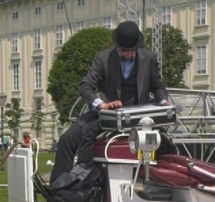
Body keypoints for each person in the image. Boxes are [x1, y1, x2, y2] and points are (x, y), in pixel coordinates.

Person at [52, 20, 172, 181]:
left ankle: (164, 180)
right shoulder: (103, 58)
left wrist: (164, 102)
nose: (128, 54)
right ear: (117, 46)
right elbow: (85, 86)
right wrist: (102, 104)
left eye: (132, 51)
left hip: (138, 115)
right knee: (67, 139)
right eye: (124, 50)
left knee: (167, 143)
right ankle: (59, 185)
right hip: (107, 113)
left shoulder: (149, 59)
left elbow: (158, 87)